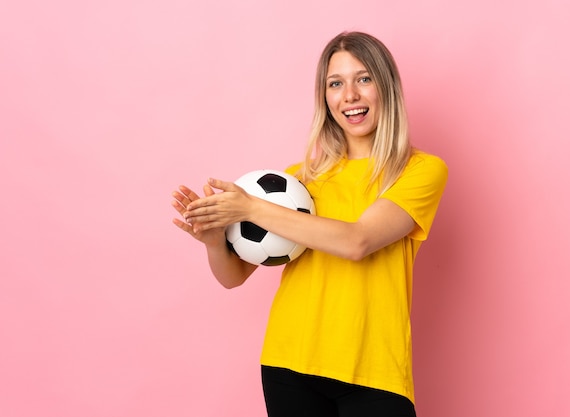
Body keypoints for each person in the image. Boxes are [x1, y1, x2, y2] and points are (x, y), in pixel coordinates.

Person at [171, 31, 447, 417]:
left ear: (386, 87)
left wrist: (248, 208)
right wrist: (216, 240)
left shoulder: (419, 171)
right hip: (289, 364)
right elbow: (233, 276)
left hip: (373, 371)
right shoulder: (295, 183)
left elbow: (357, 241)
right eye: (336, 83)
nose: (349, 95)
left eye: (363, 79)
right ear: (325, 97)